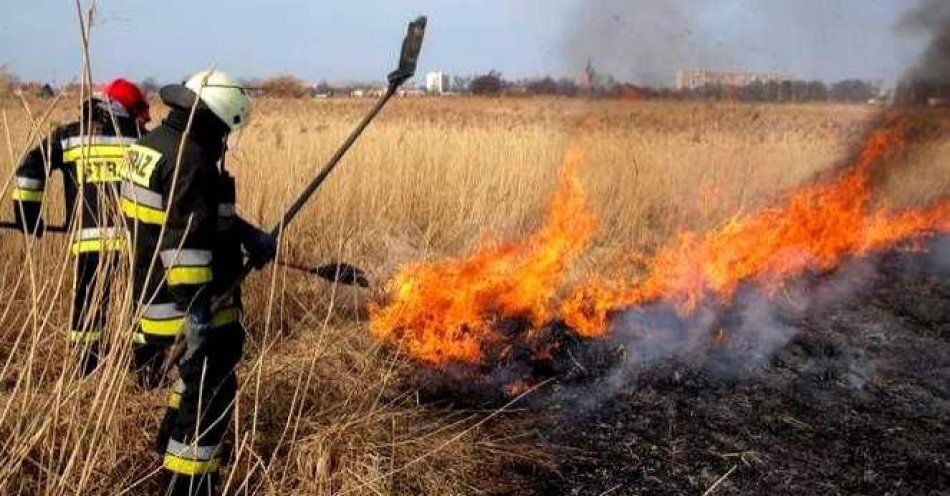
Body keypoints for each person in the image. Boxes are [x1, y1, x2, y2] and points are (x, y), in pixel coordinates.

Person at [121, 70, 275, 495]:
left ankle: (167, 456)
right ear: (211, 120)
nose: (226, 139)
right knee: (209, 395)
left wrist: (247, 235)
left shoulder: (151, 145)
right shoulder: (191, 160)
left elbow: (193, 216)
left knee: (189, 388)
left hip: (152, 298)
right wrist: (199, 314)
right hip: (186, 308)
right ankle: (188, 485)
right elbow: (184, 246)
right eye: (226, 128)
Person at [13, 78, 150, 376]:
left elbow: (30, 167)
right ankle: (143, 370)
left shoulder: (71, 137)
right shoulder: (143, 140)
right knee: (138, 308)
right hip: (135, 243)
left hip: (89, 245)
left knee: (88, 308)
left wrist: (28, 215)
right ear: (128, 109)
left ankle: (87, 371)